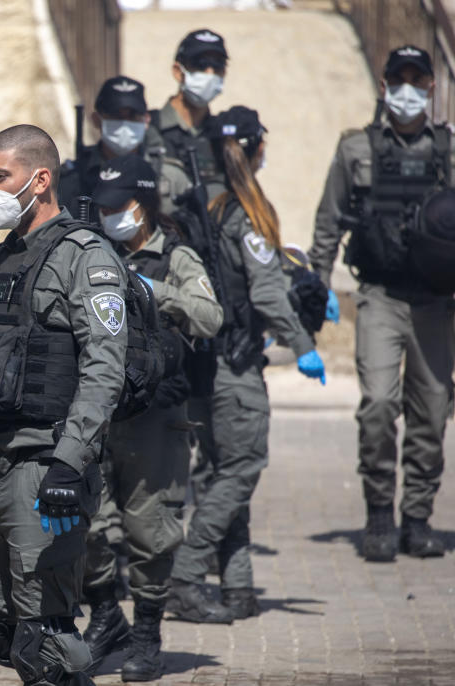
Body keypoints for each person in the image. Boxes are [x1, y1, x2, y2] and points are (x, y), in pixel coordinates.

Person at [0, 124, 128, 686]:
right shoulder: (3, 258)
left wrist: (69, 461)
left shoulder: (85, 256)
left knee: (46, 637)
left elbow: (104, 369)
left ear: (39, 179)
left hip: (45, 470)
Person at [168, 107, 326, 622]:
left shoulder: (205, 212)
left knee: (218, 475)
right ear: (256, 150)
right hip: (234, 367)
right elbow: (266, 292)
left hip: (202, 367)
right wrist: (302, 343)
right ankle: (186, 575)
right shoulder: (241, 214)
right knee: (241, 470)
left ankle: (238, 585)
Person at [308, 45, 454, 562]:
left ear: (432, 89)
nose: (408, 89)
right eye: (400, 79)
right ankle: (377, 516)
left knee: (432, 412)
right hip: (380, 296)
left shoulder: (448, 152)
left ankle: (416, 520)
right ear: (385, 85)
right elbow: (328, 222)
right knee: (376, 405)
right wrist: (317, 288)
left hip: (437, 303)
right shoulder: (356, 150)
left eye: (419, 80)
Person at [81, 153, 223, 680]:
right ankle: (103, 615)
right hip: (94, 412)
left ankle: (146, 635)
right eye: (104, 208)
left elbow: (210, 317)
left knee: (149, 531)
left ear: (142, 206)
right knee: (84, 521)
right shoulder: (91, 252)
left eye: (119, 207)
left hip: (155, 417)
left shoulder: (176, 256)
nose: (110, 216)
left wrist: (152, 290)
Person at [58, 76, 165, 218]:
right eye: (116, 116)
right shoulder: (71, 178)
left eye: (133, 116)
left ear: (146, 120)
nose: (125, 124)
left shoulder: (165, 173)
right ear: (97, 119)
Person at [151, 28, 230, 207]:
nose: (210, 73)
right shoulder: (148, 128)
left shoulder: (223, 135)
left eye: (218, 65)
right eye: (200, 64)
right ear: (178, 71)